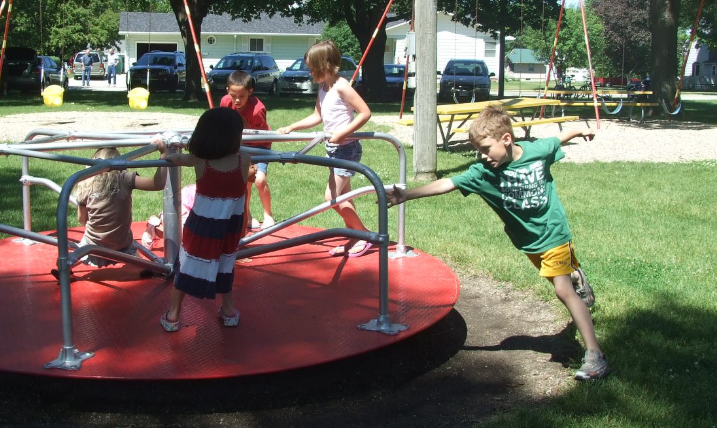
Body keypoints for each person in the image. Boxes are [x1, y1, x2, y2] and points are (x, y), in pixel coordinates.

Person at [387, 103, 608, 381]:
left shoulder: (536, 152)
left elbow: (556, 140)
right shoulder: (483, 173)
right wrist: (408, 195)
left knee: (562, 290)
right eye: (479, 150)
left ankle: (595, 356)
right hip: (529, 242)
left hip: (554, 232)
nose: (483, 156)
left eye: (486, 148)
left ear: (506, 139)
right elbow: (448, 184)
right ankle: (576, 275)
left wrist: (580, 130)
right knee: (560, 281)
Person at [277, 40, 372, 257]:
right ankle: (354, 237)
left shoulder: (341, 86)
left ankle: (365, 235)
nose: (310, 72)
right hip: (333, 149)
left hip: (346, 149)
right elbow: (317, 116)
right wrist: (292, 126)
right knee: (343, 198)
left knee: (332, 198)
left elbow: (365, 112)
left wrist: (343, 133)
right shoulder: (323, 87)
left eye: (312, 68)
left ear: (325, 65)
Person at [161, 107, 250, 331]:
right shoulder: (244, 160)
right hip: (229, 229)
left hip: (201, 228)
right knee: (225, 266)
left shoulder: (200, 161)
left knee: (186, 267)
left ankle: (173, 315)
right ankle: (228, 311)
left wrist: (164, 149)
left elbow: (174, 158)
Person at [52, 142, 168, 278]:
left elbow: (82, 220)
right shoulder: (125, 179)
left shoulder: (85, 184)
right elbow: (157, 183)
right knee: (131, 248)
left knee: (82, 249)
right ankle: (145, 266)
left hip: (94, 242)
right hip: (121, 242)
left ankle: (67, 268)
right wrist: (163, 153)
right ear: (120, 162)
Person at [220, 70, 275, 229]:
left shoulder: (257, 110)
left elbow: (258, 136)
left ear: (250, 92)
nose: (237, 100)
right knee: (244, 181)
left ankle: (268, 214)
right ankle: (247, 215)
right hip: (239, 144)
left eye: (241, 96)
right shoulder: (225, 101)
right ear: (227, 91)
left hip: (259, 145)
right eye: (233, 95)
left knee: (259, 180)